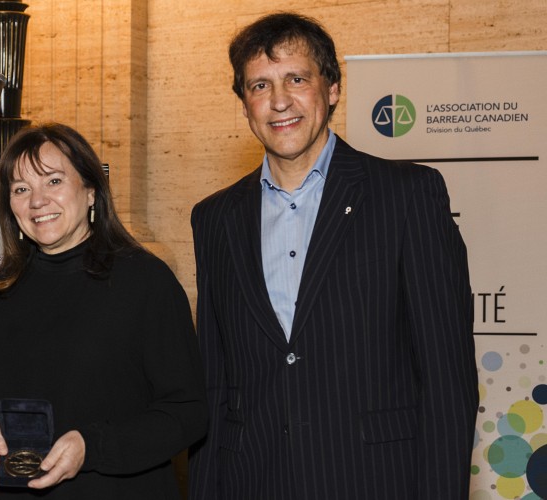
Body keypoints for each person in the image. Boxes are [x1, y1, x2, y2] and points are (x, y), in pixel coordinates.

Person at [188, 12, 478, 499]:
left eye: (296, 79)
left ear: (333, 88)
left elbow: (448, 382)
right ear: (244, 105)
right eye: (260, 85)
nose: (279, 101)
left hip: (375, 481)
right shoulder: (214, 218)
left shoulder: (407, 197)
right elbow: (215, 385)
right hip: (252, 482)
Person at [0, 122, 207, 499]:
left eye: (53, 181)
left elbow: (187, 411)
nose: (37, 201)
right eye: (21, 189)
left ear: (90, 191)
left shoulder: (146, 283)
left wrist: (94, 446)